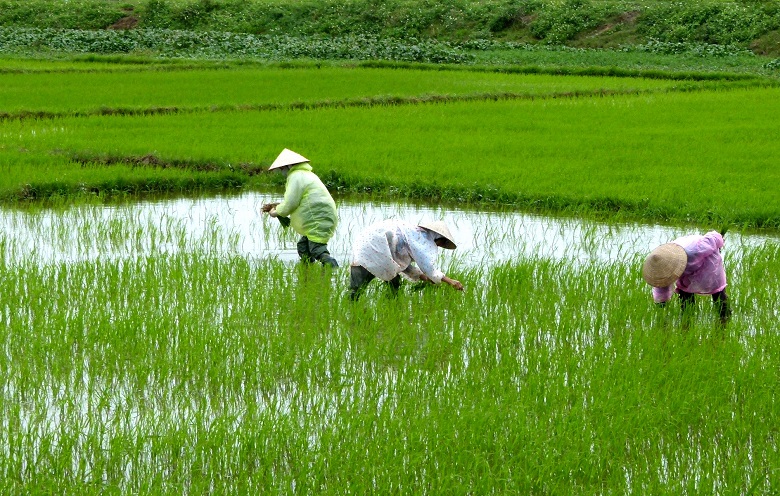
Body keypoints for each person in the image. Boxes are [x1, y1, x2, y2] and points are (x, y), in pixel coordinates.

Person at [349, 219, 464, 300]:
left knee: (391, 283)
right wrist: (451, 282)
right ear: (438, 238)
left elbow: (399, 261)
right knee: (356, 292)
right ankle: (355, 313)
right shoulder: (421, 240)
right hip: (373, 252)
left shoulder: (411, 233)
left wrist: (421, 276)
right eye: (442, 243)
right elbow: (429, 269)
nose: (439, 246)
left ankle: (390, 308)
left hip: (364, 250)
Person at [262, 148, 339, 268]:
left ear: (289, 166)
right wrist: (277, 206)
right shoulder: (305, 174)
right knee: (303, 248)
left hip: (317, 218)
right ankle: (307, 273)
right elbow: (299, 200)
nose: (281, 171)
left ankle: (333, 268)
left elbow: (291, 204)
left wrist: (275, 212)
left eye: (282, 168)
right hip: (318, 217)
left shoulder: (296, 176)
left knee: (316, 249)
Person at [642, 230, 731, 325]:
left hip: (709, 261)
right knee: (685, 292)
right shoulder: (661, 265)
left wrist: (719, 238)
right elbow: (662, 286)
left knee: (717, 291)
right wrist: (661, 305)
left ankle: (724, 317)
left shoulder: (693, 250)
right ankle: (687, 319)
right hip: (686, 266)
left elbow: (711, 239)